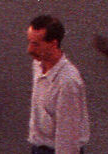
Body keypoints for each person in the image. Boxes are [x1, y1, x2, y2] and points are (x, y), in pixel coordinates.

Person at [25, 15, 88, 154]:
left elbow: (68, 137)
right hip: (38, 145)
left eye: (35, 44)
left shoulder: (67, 83)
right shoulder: (38, 63)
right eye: (29, 42)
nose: (29, 49)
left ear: (53, 44)